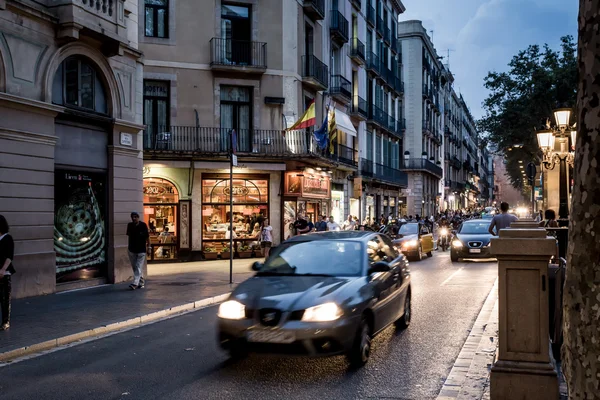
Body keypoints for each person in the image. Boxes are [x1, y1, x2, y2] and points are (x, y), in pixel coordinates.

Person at [0, 215, 16, 330]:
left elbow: (10, 256)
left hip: (4, 274)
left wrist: (3, 269)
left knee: (5, 299)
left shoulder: (8, 238)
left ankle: (6, 322)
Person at [126, 212, 149, 290]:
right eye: (133, 217)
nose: (134, 218)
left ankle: (135, 283)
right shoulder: (130, 225)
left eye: (135, 217)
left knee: (138, 266)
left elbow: (147, 237)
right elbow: (129, 236)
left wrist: (149, 247)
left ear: (138, 217)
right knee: (135, 267)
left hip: (141, 250)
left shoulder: (143, 225)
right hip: (132, 249)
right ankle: (141, 282)